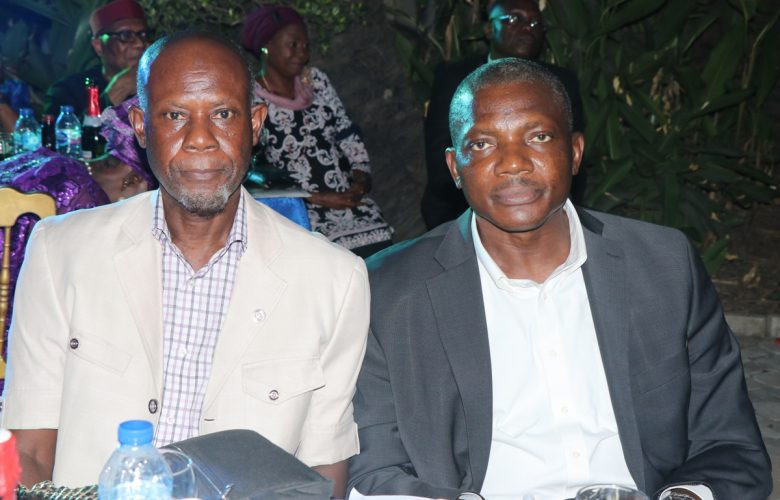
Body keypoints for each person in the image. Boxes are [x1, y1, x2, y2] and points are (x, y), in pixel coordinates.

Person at [347, 58, 771, 499]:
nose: (513, 163)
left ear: (575, 151)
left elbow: (729, 443)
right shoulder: (388, 290)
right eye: (484, 143)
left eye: (538, 136)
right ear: (455, 167)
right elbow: (372, 471)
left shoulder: (663, 265)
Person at [2, 31, 369, 498]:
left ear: (255, 123)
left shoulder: (333, 280)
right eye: (175, 115)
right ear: (140, 126)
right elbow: (29, 451)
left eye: (223, 114)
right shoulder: (61, 252)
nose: (200, 139)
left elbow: (324, 471)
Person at [241, 5, 393, 258]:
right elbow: (256, 173)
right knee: (336, 258)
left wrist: (360, 181)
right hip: (302, 209)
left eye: (305, 46)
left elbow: (347, 132)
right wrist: (317, 198)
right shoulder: (251, 100)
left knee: (383, 245)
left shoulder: (316, 81)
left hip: (348, 198)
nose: (302, 53)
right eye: (293, 45)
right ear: (266, 46)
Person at [421, 0, 585, 230]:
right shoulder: (454, 78)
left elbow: (567, 154)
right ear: (489, 29)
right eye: (513, 19)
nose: (526, 27)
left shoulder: (561, 81)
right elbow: (439, 153)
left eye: (535, 22)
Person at [44, 0, 151, 117]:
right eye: (125, 35)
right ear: (98, 46)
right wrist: (118, 91)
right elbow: (62, 128)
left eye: (144, 35)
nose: (140, 44)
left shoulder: (159, 81)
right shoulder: (68, 91)